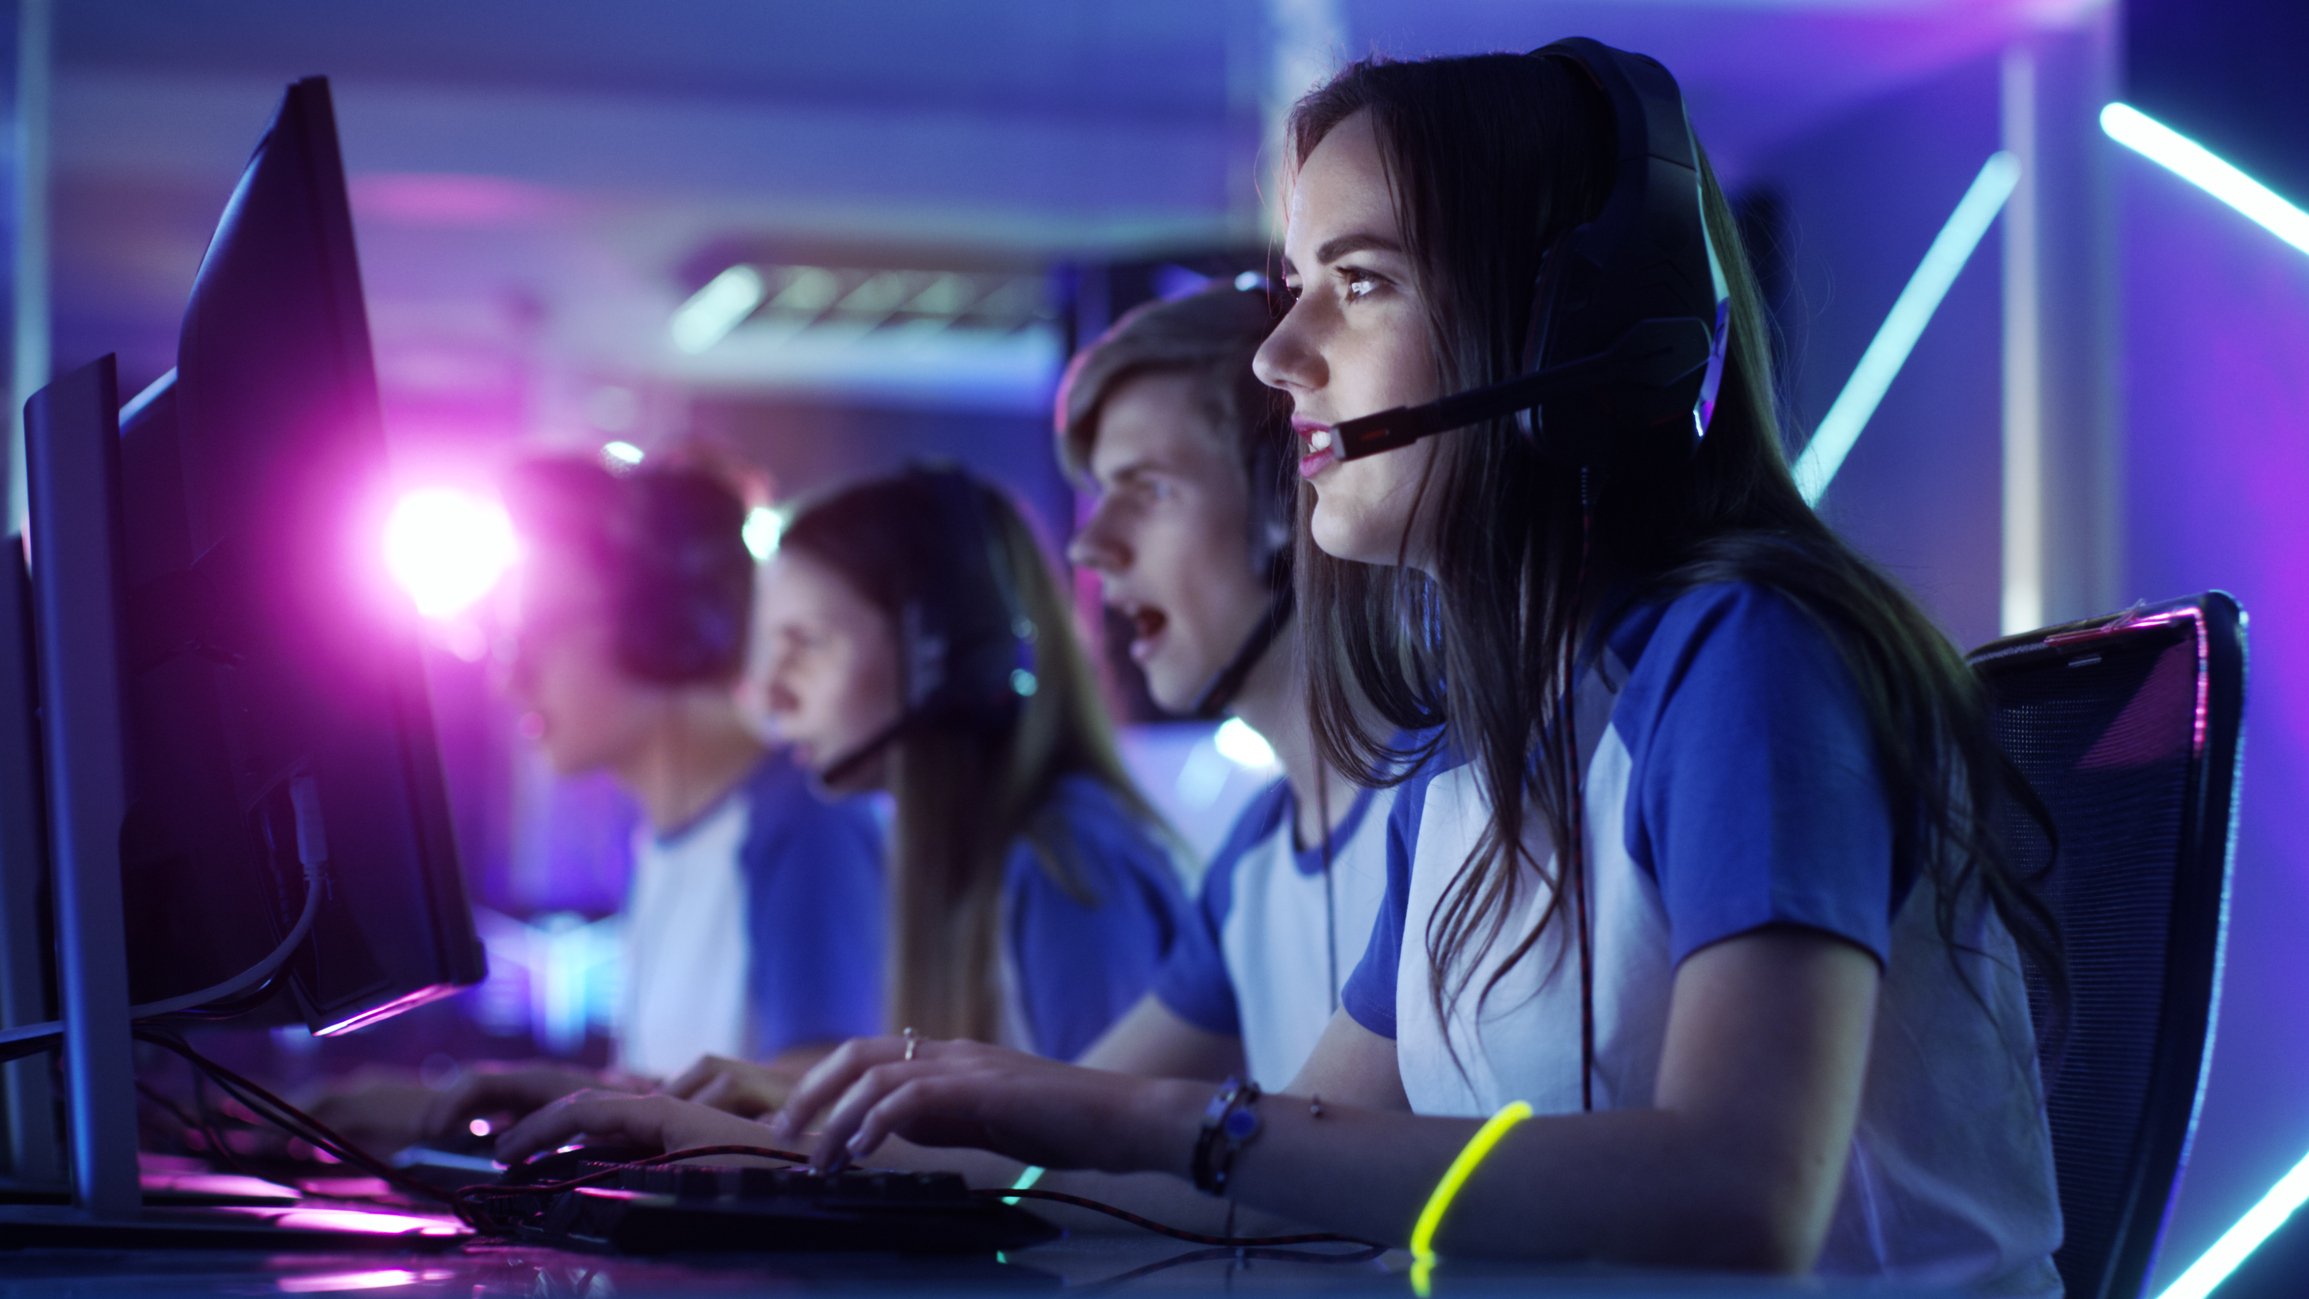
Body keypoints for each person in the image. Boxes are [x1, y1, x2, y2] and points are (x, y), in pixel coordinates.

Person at [501, 43, 2066, 1288]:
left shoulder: (1744, 658)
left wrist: (1150, 1117)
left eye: (1359, 283)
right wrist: (772, 1161)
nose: (1277, 356)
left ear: (1573, 327)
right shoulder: (1474, 753)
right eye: (1293, 283)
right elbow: (1280, 1164)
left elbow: (1743, 1194)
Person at [311, 453, 886, 1147]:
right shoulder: (662, 841)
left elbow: (813, 1111)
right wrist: (453, 1111)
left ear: (662, 624)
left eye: (532, 635)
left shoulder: (801, 824)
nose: (507, 681)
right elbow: (663, 1098)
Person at [745, 464, 1192, 1064]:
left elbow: (1106, 1155)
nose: (773, 694)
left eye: (809, 644)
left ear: (951, 654)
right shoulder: (950, 860)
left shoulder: (1068, 870)